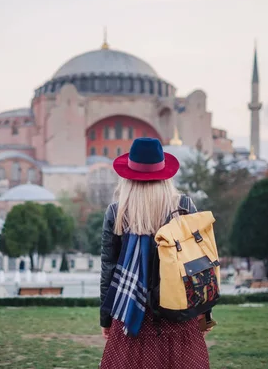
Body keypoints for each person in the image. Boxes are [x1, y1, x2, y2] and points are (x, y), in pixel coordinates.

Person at [100, 138, 211, 369]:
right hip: (178, 309)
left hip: (131, 309)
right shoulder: (183, 206)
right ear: (165, 174)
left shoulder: (118, 211)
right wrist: (205, 310)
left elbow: (109, 268)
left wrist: (106, 317)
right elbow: (199, 262)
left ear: (128, 175)